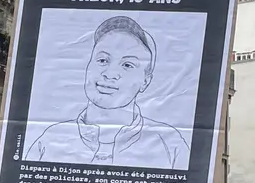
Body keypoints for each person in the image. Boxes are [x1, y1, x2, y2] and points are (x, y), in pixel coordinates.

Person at [21, 15, 190, 170]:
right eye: (102, 60)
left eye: (127, 65)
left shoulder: (170, 143)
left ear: (145, 81)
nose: (110, 73)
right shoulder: (50, 140)